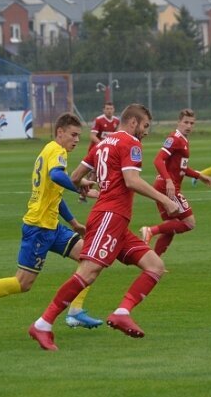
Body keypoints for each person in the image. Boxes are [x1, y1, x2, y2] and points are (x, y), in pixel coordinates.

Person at [28, 103, 181, 351]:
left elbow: (75, 177)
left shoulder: (102, 144)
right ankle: (43, 323)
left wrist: (90, 186)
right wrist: (164, 200)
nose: (145, 132)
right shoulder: (131, 143)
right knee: (88, 272)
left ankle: (122, 312)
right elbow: (132, 181)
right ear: (132, 122)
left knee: (155, 266)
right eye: (144, 126)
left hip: (115, 221)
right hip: (110, 217)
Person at [0, 113, 103, 331]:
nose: (77, 140)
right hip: (39, 228)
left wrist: (74, 222)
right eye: (73, 134)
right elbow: (56, 177)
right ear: (60, 133)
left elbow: (54, 195)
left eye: (79, 135)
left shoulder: (50, 151)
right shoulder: (56, 151)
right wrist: (79, 186)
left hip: (53, 227)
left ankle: (75, 311)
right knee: (22, 283)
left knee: (91, 259)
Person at [139, 109, 211, 256]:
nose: (189, 126)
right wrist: (169, 181)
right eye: (186, 122)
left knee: (170, 228)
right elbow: (158, 160)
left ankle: (154, 262)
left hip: (164, 186)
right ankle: (150, 231)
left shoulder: (183, 140)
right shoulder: (175, 139)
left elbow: (182, 167)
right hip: (168, 188)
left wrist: (199, 176)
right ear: (178, 122)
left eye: (192, 123)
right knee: (189, 223)